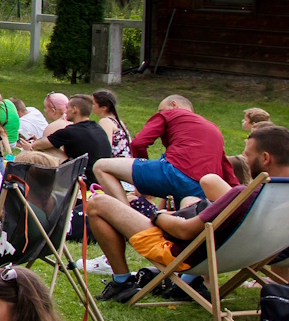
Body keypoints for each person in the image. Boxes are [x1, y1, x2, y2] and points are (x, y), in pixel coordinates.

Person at [86, 124, 289, 300]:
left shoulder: (246, 195)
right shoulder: (275, 199)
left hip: (182, 253)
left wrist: (157, 215)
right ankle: (188, 283)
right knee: (192, 200)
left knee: (99, 203)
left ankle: (122, 282)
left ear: (265, 158)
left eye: (247, 155)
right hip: (240, 254)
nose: (244, 159)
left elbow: (183, 231)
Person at [95, 94, 235, 207]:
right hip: (199, 189)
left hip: (174, 173)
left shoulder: (170, 114)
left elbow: (138, 143)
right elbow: (226, 169)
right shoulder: (214, 128)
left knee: (101, 166)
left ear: (173, 104)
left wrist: (139, 172)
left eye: (160, 110)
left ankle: (125, 216)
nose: (159, 113)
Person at [19, 93, 109, 170]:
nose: (65, 111)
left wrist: (30, 147)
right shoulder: (98, 129)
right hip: (98, 176)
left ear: (74, 110)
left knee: (47, 149)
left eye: (67, 107)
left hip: (81, 178)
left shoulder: (70, 131)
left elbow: (38, 145)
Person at [90, 89, 132, 158]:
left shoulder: (105, 122)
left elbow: (105, 148)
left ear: (103, 108)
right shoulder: (119, 122)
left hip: (114, 164)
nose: (91, 106)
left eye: (93, 104)